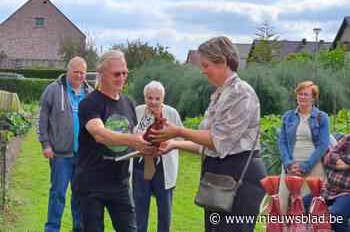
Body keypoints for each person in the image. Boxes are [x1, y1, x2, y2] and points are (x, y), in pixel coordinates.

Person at [151, 36, 266, 232]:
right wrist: (174, 143)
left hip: (240, 179)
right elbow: (207, 143)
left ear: (222, 61)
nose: (203, 71)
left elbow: (217, 141)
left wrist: (178, 131)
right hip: (219, 178)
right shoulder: (221, 94)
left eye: (206, 65)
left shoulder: (241, 93)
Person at [74, 50, 157, 232]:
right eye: (116, 74)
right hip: (91, 184)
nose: (122, 77)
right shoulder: (90, 103)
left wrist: (151, 143)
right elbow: (100, 134)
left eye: (125, 73)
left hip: (119, 183)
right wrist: (134, 140)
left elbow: (136, 134)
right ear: (101, 74)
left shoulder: (128, 102)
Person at [38, 56, 92, 232]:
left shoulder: (90, 93)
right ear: (68, 71)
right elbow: (43, 118)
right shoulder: (53, 90)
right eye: (75, 72)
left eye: (82, 72)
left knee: (80, 197)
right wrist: (45, 144)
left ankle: (79, 229)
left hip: (83, 156)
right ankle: (52, 229)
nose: (79, 76)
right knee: (58, 195)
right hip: (60, 155)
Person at [132, 81, 183, 232]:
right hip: (140, 166)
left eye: (157, 98)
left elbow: (181, 139)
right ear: (144, 97)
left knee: (164, 210)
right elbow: (130, 136)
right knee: (139, 209)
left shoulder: (171, 113)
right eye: (149, 98)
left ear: (163, 99)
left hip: (164, 167)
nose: (153, 102)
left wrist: (167, 142)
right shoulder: (137, 111)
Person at [278, 81, 330, 214]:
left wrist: (305, 166)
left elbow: (323, 145)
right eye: (300, 94)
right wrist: (289, 163)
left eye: (306, 94)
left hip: (313, 165)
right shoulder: (288, 117)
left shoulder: (321, 117)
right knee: (282, 200)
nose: (302, 97)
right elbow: (282, 141)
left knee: (307, 203)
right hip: (290, 165)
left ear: (313, 98)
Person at [304, 134, 350, 232]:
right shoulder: (348, 138)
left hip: (347, 192)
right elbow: (329, 156)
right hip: (330, 189)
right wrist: (337, 160)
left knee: (337, 216)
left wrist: (345, 164)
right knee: (305, 202)